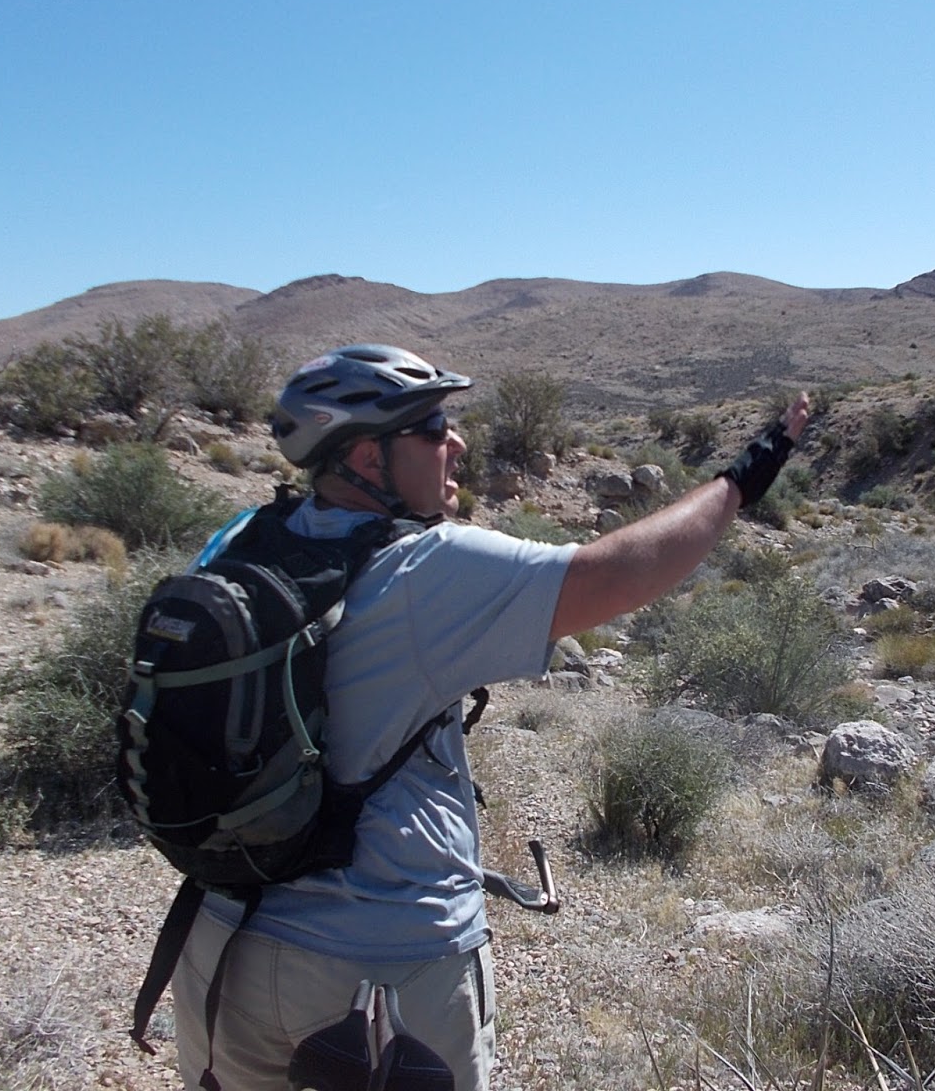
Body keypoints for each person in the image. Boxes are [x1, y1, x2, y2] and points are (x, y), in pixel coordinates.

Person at [171, 344, 809, 1091]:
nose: (458, 442)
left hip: (221, 945)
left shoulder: (237, 540)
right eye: (434, 425)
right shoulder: (426, 569)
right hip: (376, 978)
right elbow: (622, 571)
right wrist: (746, 477)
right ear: (368, 459)